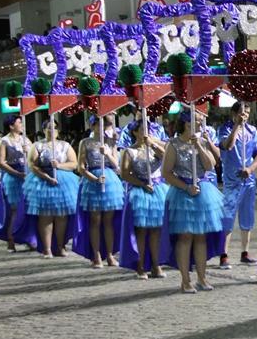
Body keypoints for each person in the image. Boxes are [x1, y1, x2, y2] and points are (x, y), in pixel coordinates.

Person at [162, 111, 225, 293]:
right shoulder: (173, 144)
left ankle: (202, 278)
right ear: (186, 123)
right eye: (197, 121)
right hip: (183, 192)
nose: (200, 124)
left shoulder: (202, 142)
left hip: (203, 191)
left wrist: (199, 144)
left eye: (200, 121)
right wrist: (185, 187)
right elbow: (167, 173)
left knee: (201, 236)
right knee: (185, 236)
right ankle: (185, 280)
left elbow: (210, 165)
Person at [218, 102, 257, 268]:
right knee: (228, 216)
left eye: (247, 112)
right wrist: (237, 125)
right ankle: (224, 254)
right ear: (233, 113)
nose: (245, 115)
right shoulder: (224, 129)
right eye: (242, 112)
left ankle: (245, 252)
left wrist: (251, 169)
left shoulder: (252, 131)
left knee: (247, 216)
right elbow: (228, 145)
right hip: (232, 181)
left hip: (248, 181)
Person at [119, 120, 168, 279]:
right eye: (142, 130)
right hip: (140, 191)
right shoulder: (129, 151)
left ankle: (156, 264)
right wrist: (141, 183)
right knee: (141, 230)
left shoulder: (155, 148)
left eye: (149, 130)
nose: (147, 133)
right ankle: (140, 265)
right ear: (135, 132)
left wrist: (152, 144)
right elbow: (125, 174)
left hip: (158, 190)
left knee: (156, 230)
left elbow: (166, 158)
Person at [23, 120, 80, 258]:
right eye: (49, 128)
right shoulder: (38, 145)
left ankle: (60, 246)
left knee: (61, 216)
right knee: (45, 216)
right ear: (44, 130)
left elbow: (74, 163)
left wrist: (59, 165)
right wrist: (46, 177)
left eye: (54, 128)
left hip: (63, 182)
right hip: (43, 181)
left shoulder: (65, 145)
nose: (52, 130)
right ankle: (47, 248)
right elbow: (32, 165)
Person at [75, 115, 126, 268]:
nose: (102, 128)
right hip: (93, 181)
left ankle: (110, 254)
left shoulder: (111, 142)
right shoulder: (85, 143)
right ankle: (96, 254)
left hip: (110, 180)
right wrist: (94, 179)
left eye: (105, 125)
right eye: (98, 125)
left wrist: (108, 153)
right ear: (93, 126)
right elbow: (81, 167)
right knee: (95, 220)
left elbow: (117, 165)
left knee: (108, 221)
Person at [0, 115, 32, 250]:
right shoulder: (4, 141)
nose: (22, 124)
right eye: (19, 122)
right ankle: (11, 239)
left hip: (26, 175)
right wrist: (16, 173)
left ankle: (27, 238)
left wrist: (29, 151)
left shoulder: (25, 139)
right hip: (12, 176)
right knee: (14, 209)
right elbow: (0, 162)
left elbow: (34, 156)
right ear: (11, 125)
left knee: (27, 209)